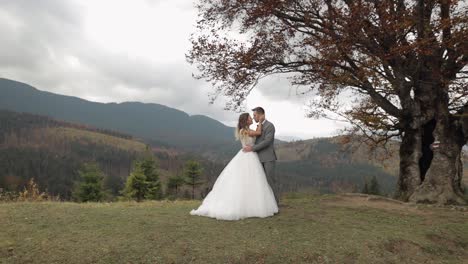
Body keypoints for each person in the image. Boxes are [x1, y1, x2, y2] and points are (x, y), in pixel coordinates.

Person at [189, 112, 278, 220]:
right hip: (249, 155)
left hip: (249, 154)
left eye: (251, 117)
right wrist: (260, 121)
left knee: (250, 180)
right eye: (250, 117)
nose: (251, 118)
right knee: (248, 180)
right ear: (246, 120)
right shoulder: (245, 130)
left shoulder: (245, 130)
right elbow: (258, 132)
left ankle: (249, 204)